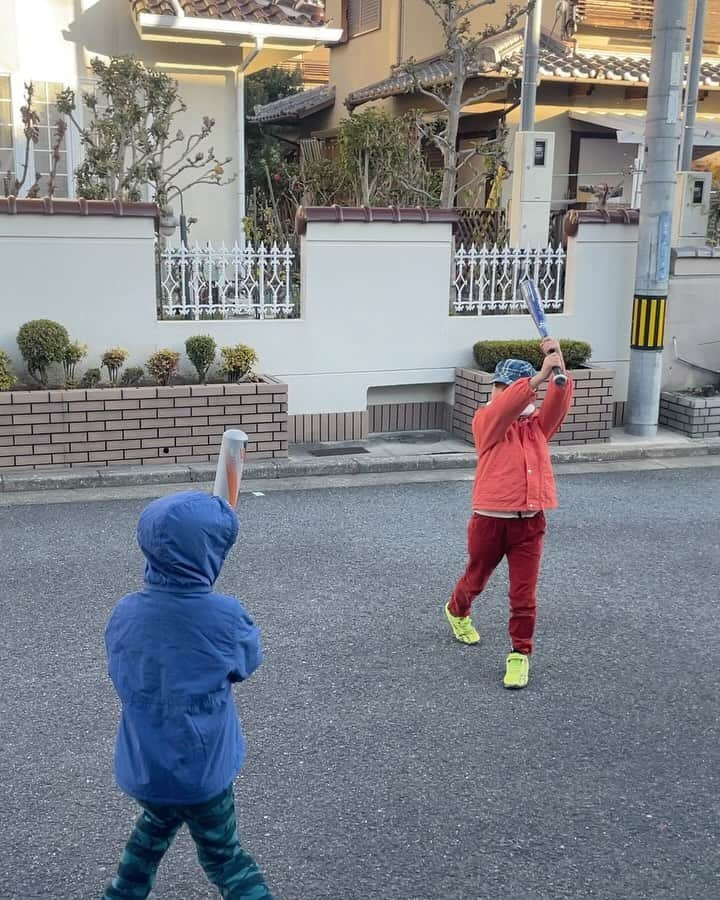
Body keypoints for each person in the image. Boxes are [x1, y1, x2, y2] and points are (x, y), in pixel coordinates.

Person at [102, 490, 274, 900]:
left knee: (153, 828)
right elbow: (246, 663)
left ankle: (122, 893)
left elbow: (120, 667)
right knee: (224, 857)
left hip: (147, 763)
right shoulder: (225, 615)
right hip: (202, 770)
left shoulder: (126, 610)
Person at [444, 340, 573, 690]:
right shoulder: (486, 422)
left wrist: (558, 369)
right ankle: (457, 610)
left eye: (508, 386)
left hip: (530, 523)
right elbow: (504, 408)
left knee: (523, 595)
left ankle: (520, 654)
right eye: (500, 385)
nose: (502, 391)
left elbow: (558, 401)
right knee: (477, 578)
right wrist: (535, 380)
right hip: (489, 520)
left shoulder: (536, 428)